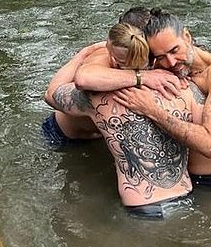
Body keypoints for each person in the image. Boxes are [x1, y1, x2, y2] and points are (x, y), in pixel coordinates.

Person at [45, 23, 199, 219]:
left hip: (143, 207)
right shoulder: (182, 85)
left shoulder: (95, 97)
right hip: (186, 197)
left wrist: (82, 55)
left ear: (114, 61)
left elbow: (51, 94)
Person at [114, 8, 211, 192]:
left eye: (174, 50)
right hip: (183, 181)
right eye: (161, 57)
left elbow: (210, 144)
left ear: (187, 36)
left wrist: (152, 110)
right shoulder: (162, 66)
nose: (170, 62)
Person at [42, 7, 183, 146]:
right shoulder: (106, 54)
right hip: (66, 136)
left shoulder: (161, 52)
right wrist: (142, 77)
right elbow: (82, 79)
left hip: (107, 135)